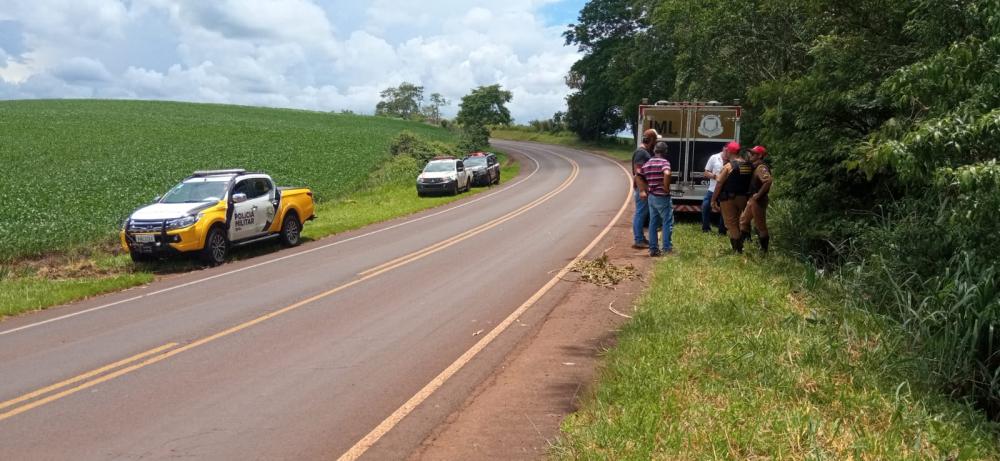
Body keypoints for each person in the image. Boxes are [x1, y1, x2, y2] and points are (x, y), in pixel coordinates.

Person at [711, 141, 753, 253]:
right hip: (744, 198)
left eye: (727, 150)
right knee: (739, 221)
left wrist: (713, 200)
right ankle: (741, 245)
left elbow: (719, 183)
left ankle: (738, 250)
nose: (726, 152)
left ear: (730, 151)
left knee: (731, 224)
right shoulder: (748, 165)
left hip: (729, 199)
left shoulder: (728, 166)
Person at [635, 141, 673, 256]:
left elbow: (638, 176)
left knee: (653, 223)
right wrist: (666, 188)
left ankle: (653, 249)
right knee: (667, 221)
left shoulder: (648, 163)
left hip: (651, 197)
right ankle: (666, 248)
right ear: (665, 151)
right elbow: (667, 173)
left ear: (654, 150)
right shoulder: (664, 162)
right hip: (662, 197)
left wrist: (643, 190)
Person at [739, 145, 773, 252]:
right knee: (743, 221)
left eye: (753, 154)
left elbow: (768, 181)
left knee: (760, 225)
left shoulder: (761, 167)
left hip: (758, 201)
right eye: (751, 153)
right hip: (752, 199)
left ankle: (764, 251)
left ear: (760, 155)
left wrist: (758, 195)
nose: (750, 155)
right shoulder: (755, 166)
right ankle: (743, 245)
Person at [631, 129, 658, 249]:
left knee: (642, 213)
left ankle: (641, 238)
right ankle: (638, 240)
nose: (656, 142)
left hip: (645, 187)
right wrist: (642, 190)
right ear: (651, 139)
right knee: (640, 213)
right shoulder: (641, 153)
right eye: (655, 139)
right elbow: (638, 173)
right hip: (642, 188)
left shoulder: (645, 152)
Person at [701, 144, 733, 234]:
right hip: (713, 189)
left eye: (729, 151)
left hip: (726, 190)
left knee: (724, 209)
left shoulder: (733, 160)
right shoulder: (714, 157)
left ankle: (722, 231)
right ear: (723, 149)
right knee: (705, 206)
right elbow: (706, 173)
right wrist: (715, 176)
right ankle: (706, 228)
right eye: (726, 150)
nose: (727, 153)